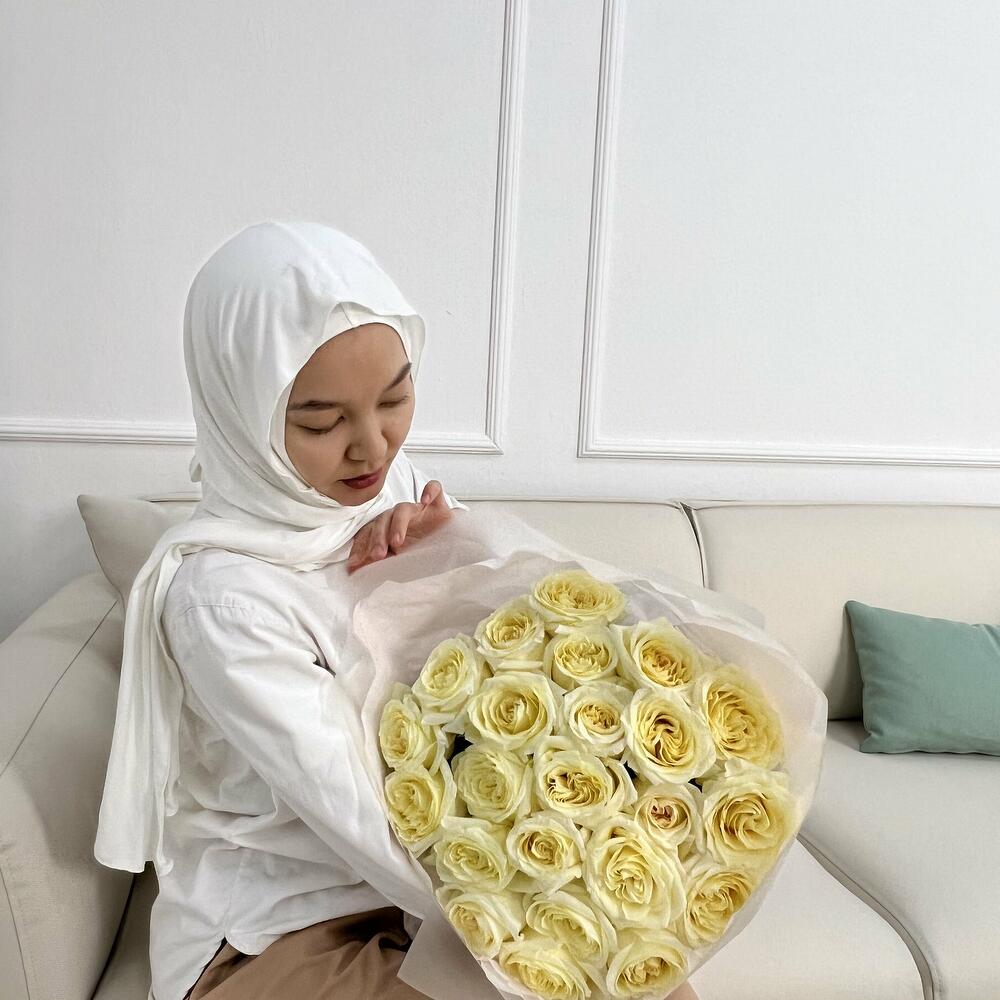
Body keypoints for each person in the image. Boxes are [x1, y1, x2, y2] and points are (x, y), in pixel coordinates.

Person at [93, 220, 700, 1000]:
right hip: (276, 930)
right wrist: (552, 909)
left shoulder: (397, 491)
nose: (372, 447)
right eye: (321, 422)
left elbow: (528, 671)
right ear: (240, 414)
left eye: (395, 398)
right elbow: (368, 812)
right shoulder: (222, 598)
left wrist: (455, 554)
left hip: (423, 894)